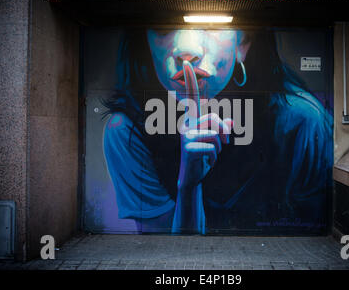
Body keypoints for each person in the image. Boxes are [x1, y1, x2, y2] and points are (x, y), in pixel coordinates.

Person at [102, 28, 333, 235]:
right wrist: (189, 186)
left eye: (212, 27)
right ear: (146, 47)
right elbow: (168, 250)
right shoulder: (127, 131)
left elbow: (310, 236)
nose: (186, 50)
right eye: (163, 28)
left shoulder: (302, 122)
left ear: (243, 45)